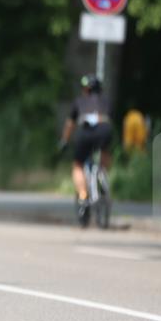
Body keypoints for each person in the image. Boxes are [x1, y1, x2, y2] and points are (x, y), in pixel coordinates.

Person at [60, 74, 113, 224]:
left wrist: (64, 141)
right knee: (104, 154)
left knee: (77, 165)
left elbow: (70, 125)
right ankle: (103, 176)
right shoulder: (106, 101)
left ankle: (83, 196)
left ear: (85, 89)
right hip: (105, 130)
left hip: (87, 132)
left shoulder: (79, 101)